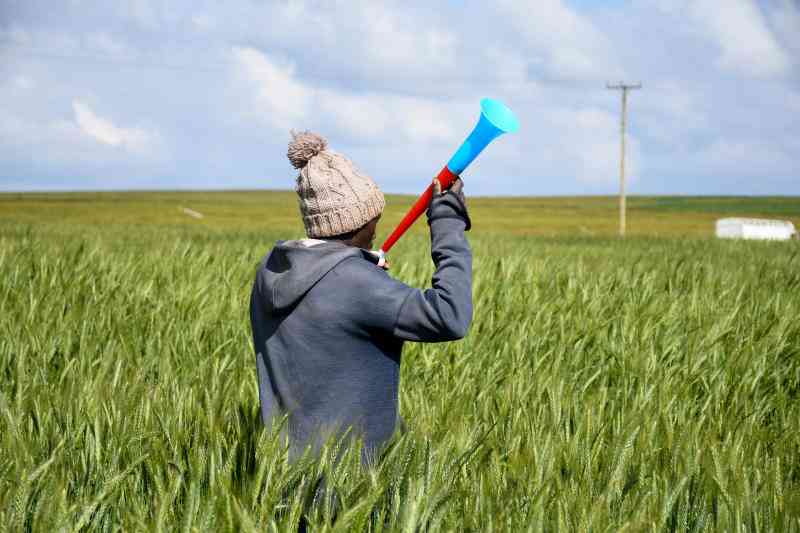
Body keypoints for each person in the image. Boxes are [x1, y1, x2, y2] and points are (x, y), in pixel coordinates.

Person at [249, 131, 472, 463]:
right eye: (374, 218)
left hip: (282, 480)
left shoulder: (271, 271)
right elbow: (450, 316)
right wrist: (447, 221)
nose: (377, 228)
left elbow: (335, 315)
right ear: (358, 221)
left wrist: (361, 268)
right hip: (348, 486)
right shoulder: (356, 284)